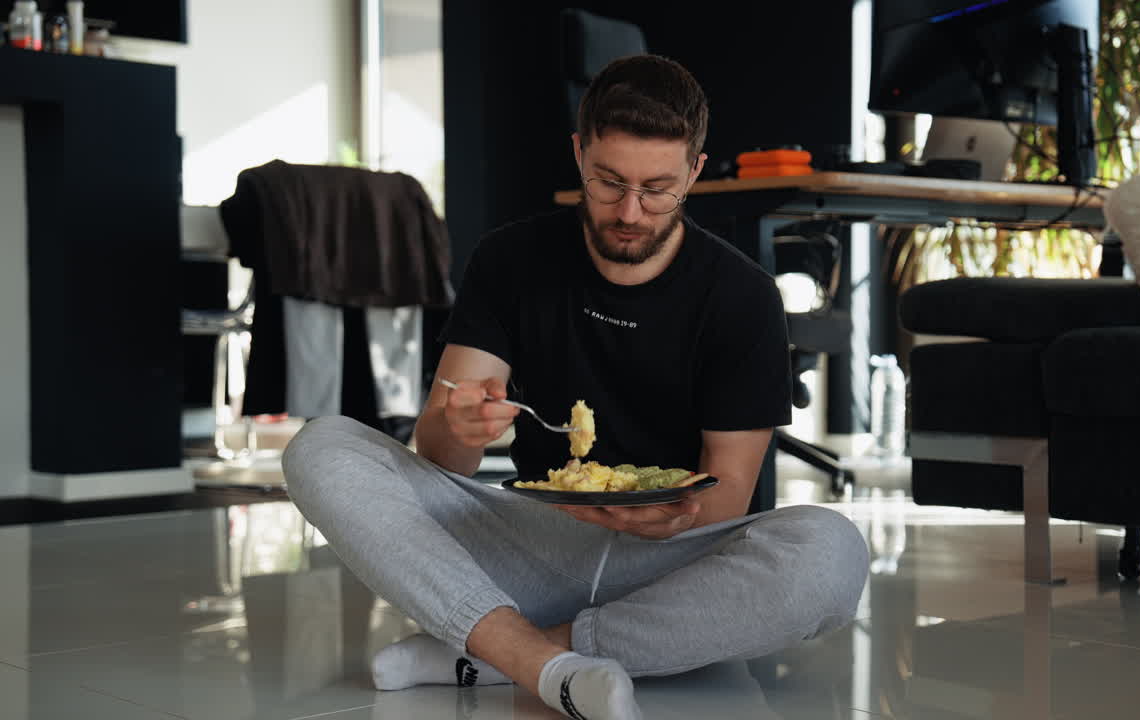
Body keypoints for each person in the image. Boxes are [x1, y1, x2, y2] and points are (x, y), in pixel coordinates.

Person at [283, 54, 869, 720]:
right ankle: (542, 666)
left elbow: (727, 495)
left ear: (696, 172)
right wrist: (461, 425)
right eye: (607, 182)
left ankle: (485, 655)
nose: (630, 211)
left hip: (670, 562)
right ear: (578, 153)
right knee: (321, 445)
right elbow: (444, 458)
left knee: (832, 553)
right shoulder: (511, 259)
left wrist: (669, 517)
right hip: (531, 540)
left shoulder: (741, 296)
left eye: (658, 189)